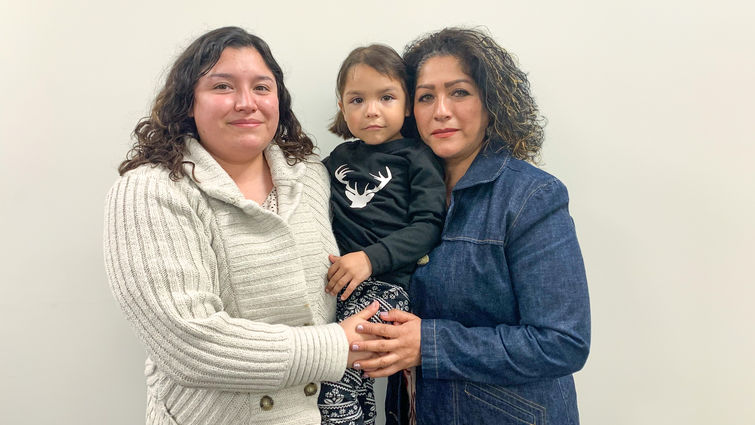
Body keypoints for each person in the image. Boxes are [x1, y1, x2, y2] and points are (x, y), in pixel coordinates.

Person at [103, 26, 381, 425]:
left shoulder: (313, 178)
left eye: (262, 88)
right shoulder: (149, 191)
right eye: (222, 87)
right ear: (188, 103)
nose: (246, 103)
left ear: (279, 102)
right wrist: (337, 346)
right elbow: (189, 344)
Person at [350, 28, 591, 425]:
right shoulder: (395, 193)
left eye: (459, 92)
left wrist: (427, 343)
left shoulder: (531, 197)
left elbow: (563, 343)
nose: (440, 110)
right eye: (426, 96)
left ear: (491, 101)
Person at [318, 45, 446, 425]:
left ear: (407, 105)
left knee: (344, 361)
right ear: (343, 107)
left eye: (386, 97)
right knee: (344, 373)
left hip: (388, 286)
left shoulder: (418, 158)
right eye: (357, 99)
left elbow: (428, 227)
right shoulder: (337, 159)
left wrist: (370, 258)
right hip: (337, 286)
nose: (371, 110)